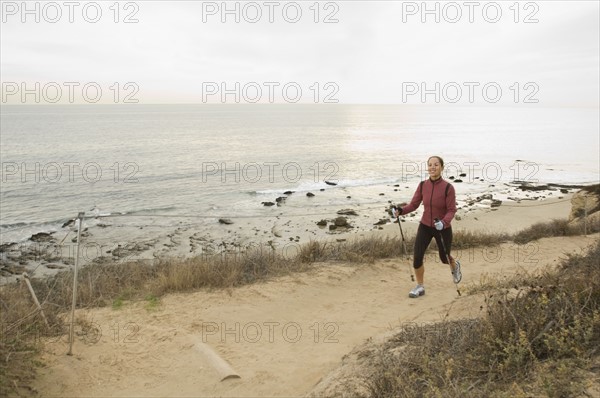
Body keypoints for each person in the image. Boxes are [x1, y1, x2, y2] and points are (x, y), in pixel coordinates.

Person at [392, 155, 462, 298]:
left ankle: (455, 266)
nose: (432, 167)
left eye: (436, 165)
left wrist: (443, 223)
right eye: (430, 165)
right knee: (417, 257)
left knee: (444, 258)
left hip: (442, 228)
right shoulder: (423, 185)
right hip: (425, 226)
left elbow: (451, 210)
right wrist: (401, 211)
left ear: (442, 167)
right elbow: (413, 205)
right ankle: (420, 286)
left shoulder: (448, 188)